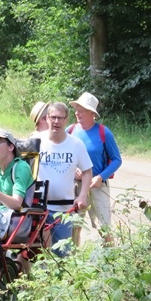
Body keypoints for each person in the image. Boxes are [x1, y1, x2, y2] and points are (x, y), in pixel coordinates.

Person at [37, 102, 93, 255]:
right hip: (39, 209)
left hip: (64, 211)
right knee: (39, 255)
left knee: (63, 255)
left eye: (60, 118)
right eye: (53, 117)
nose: (56, 122)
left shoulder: (76, 145)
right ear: (47, 118)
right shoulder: (36, 141)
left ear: (67, 120)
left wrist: (82, 195)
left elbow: (88, 171)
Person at [68, 93, 122, 245]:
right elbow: (61, 155)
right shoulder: (70, 131)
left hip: (97, 185)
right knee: (74, 225)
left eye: (81, 110)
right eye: (76, 109)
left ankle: (110, 258)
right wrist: (72, 169)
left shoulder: (103, 132)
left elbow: (117, 160)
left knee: (104, 227)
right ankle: (72, 260)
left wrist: (101, 177)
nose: (77, 112)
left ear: (92, 113)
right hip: (75, 185)